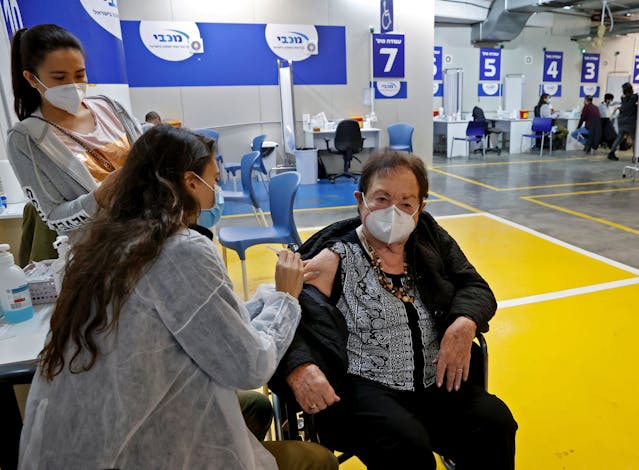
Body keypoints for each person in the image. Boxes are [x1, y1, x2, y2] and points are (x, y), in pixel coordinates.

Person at [17, 125, 337, 470]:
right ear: (189, 182)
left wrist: (268, 296)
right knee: (315, 461)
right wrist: (286, 299)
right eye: (214, 179)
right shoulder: (180, 251)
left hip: (79, 442)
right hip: (138, 451)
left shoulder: (102, 243)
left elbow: (202, 319)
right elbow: (249, 366)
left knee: (254, 409)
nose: (217, 190)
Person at [270, 150, 517, 470]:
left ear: (420, 208)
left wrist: (464, 322)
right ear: (361, 200)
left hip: (435, 380)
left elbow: (475, 287)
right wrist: (299, 367)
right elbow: (282, 315)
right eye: (381, 199)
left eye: (405, 203)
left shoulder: (428, 239)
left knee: (495, 422)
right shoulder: (334, 258)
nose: (393, 212)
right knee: (408, 448)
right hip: (366, 390)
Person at [6, 23, 142, 265]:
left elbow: (149, 159)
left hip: (152, 235)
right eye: (59, 77)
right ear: (31, 78)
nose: (73, 84)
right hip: (102, 259)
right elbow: (54, 218)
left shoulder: (111, 108)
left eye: (80, 75)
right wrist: (99, 197)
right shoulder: (27, 139)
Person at [607, 82, 639, 161]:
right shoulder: (635, 97)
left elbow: (626, 105)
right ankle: (635, 157)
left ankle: (611, 153)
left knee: (619, 137)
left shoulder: (623, 98)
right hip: (631, 121)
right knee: (634, 139)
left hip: (621, 120)